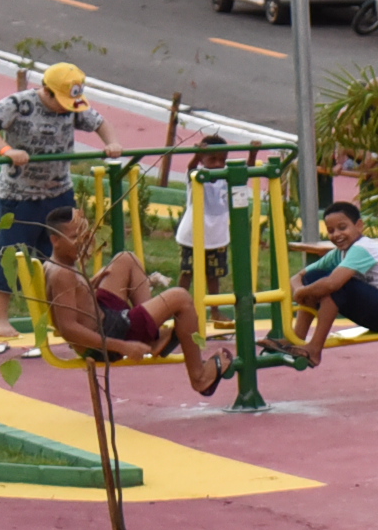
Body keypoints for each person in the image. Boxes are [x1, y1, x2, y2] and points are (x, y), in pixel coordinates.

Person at [0, 63, 112, 356]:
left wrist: (112, 143)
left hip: (58, 192)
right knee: (11, 254)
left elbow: (99, 121)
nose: (65, 109)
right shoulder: (21, 104)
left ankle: (59, 319)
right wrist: (7, 150)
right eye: (60, 101)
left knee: (61, 259)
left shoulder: (73, 107)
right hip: (19, 195)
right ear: (47, 91)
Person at [37, 207, 230, 396]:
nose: (83, 241)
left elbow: (75, 300)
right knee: (181, 297)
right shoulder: (63, 275)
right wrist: (123, 347)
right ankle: (199, 378)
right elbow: (69, 328)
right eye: (74, 237)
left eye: (85, 234)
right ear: (55, 240)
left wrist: (89, 285)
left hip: (104, 318)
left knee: (126, 259)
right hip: (107, 338)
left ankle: (152, 335)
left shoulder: (57, 263)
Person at [273, 200, 378, 366]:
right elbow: (297, 277)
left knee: (335, 285)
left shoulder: (363, 248)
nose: (336, 234)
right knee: (315, 277)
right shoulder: (339, 253)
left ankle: (314, 349)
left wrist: (301, 292)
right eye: (331, 231)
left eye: (342, 228)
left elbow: (332, 284)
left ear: (359, 226)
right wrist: (301, 289)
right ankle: (296, 338)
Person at [172, 134, 235, 296]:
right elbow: (191, 168)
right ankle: (178, 304)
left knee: (214, 276)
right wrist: (197, 155)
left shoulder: (226, 177)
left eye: (222, 160)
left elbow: (245, 173)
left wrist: (253, 153)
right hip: (193, 236)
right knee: (187, 272)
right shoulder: (197, 177)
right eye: (212, 159)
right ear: (202, 160)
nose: (218, 164)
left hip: (217, 237)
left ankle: (214, 308)